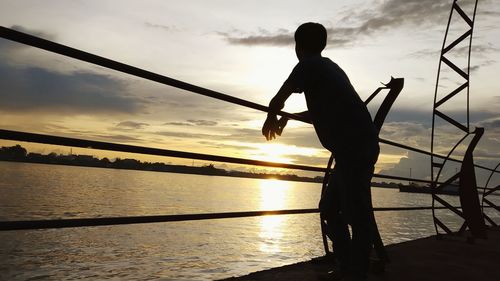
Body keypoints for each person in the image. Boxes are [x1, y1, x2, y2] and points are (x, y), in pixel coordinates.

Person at [262, 22, 379, 281]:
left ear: (297, 46)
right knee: (331, 209)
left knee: (353, 213)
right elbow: (324, 111)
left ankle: (354, 270)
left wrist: (272, 116)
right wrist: (289, 117)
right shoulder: (329, 68)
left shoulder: (308, 65)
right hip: (356, 147)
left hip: (354, 150)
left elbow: (279, 96)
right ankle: (348, 264)